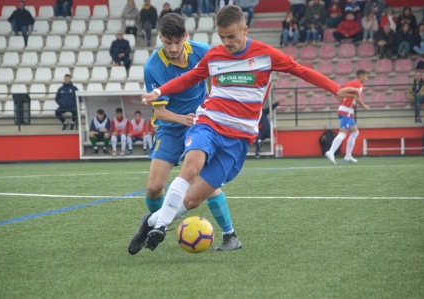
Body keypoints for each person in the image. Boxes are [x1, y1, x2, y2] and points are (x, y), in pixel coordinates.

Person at [130, 5, 360, 252]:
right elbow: (190, 78)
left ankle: (151, 221)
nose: (227, 43)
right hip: (208, 122)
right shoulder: (214, 55)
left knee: (193, 200)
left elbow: (300, 70)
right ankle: (161, 226)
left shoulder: (266, 55)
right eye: (222, 37)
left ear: (244, 30)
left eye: (231, 36)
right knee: (190, 166)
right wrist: (158, 91)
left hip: (238, 138)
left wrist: (335, 89)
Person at [127, 13, 243, 255]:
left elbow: (222, 71)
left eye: (177, 42)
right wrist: (183, 119)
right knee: (154, 187)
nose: (173, 48)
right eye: (167, 42)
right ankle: (156, 222)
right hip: (170, 127)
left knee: (205, 182)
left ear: (186, 37)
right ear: (160, 38)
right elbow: (161, 111)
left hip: (201, 126)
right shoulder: (153, 67)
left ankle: (230, 234)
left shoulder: (201, 51)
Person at [325, 70, 370, 165]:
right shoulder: (359, 85)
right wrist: (364, 106)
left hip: (345, 111)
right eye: (366, 77)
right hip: (347, 112)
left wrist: (343, 103)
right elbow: (357, 98)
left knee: (355, 132)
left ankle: (348, 155)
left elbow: (337, 93)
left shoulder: (350, 83)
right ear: (361, 76)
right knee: (343, 134)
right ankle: (331, 152)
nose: (366, 79)